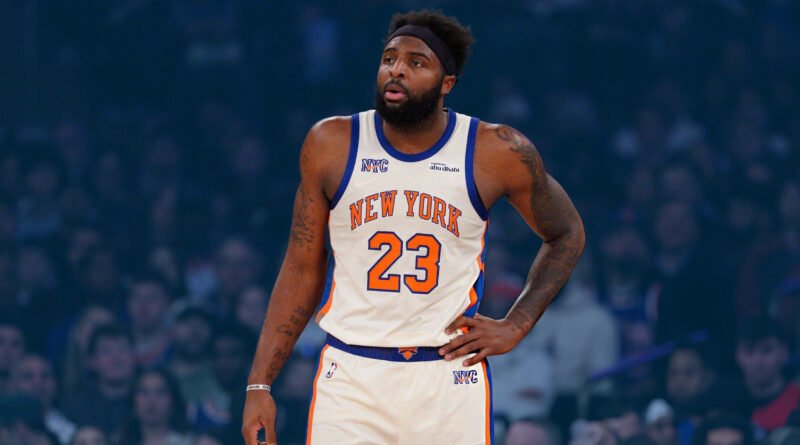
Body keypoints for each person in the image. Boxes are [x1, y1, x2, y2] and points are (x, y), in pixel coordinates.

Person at [242, 9, 585, 445]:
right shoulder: (331, 144)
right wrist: (260, 385)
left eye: (416, 62)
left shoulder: (496, 150)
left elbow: (567, 234)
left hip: (447, 375)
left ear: (448, 83)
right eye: (389, 58)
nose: (397, 70)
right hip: (351, 373)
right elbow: (301, 266)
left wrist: (517, 323)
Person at [61, 324, 136, 438]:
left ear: (134, 356)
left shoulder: (151, 398)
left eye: (122, 349)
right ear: (91, 361)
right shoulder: (74, 406)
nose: (116, 358)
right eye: (106, 351)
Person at [734, 318, 800, 432]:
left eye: (766, 350)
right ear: (737, 355)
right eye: (749, 351)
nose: (757, 361)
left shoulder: (797, 399)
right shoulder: (724, 402)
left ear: (784, 353)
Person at [10, 354, 76, 444]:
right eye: (28, 376)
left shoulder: (70, 432)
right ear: (12, 384)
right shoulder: (4, 426)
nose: (38, 382)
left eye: (45, 376)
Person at [117, 369, 192, 445]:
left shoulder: (191, 441)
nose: (151, 400)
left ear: (172, 400)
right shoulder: (120, 441)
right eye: (144, 392)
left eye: (160, 392)